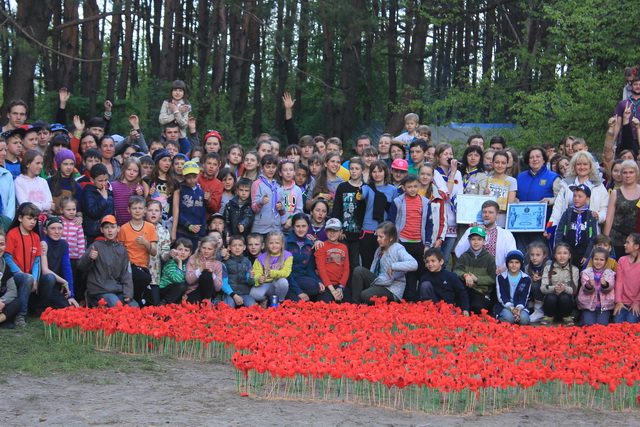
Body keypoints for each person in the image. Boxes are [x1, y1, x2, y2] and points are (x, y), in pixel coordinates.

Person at [387, 174, 432, 302]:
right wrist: (392, 241)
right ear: (404, 188)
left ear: (419, 186)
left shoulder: (425, 202)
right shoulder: (398, 201)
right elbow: (391, 222)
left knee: (420, 271)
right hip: (403, 241)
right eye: (409, 187)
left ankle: (419, 299)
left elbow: (429, 224)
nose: (413, 189)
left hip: (418, 242)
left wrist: (427, 244)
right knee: (405, 272)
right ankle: (404, 299)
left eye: (415, 186)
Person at [351, 221, 418, 305]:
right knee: (358, 270)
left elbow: (414, 264)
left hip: (392, 288)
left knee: (366, 295)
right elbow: (373, 269)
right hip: (380, 281)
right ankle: (356, 305)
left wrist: (393, 266)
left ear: (391, 238)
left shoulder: (398, 248)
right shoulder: (379, 249)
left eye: (381, 237)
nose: (378, 239)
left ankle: (391, 303)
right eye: (377, 236)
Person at [78, 215, 138, 308]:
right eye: (106, 228)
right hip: (100, 289)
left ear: (118, 229)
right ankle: (93, 302)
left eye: (113, 227)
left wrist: (128, 293)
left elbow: (127, 273)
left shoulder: (122, 249)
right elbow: (81, 267)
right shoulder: (96, 246)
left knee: (134, 307)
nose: (110, 230)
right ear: (101, 230)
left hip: (117, 289)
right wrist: (89, 258)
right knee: (117, 307)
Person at [548, 151, 609, 233]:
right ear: (574, 166)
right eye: (579, 164)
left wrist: (598, 216)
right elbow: (557, 209)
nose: (582, 167)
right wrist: (551, 228)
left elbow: (604, 209)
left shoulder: (599, 186)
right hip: (567, 230)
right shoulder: (566, 185)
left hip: (590, 231)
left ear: (591, 166)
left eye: (585, 164)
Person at [515, 146, 561, 253]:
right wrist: (514, 199)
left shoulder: (553, 177)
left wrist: (550, 201)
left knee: (539, 256)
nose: (535, 159)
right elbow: (514, 194)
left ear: (544, 159)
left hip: (541, 228)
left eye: (538, 156)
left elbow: (561, 200)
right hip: (520, 227)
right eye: (531, 157)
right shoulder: (520, 177)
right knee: (522, 255)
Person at [455, 201, 516, 273]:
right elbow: (458, 253)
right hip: (473, 272)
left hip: (498, 272)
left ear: (497, 215)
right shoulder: (471, 230)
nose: (487, 215)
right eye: (484, 212)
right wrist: (474, 231)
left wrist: (503, 269)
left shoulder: (506, 234)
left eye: (490, 212)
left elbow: (512, 256)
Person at [117, 196, 158, 305]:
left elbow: (154, 252)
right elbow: (119, 251)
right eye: (134, 208)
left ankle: (135, 300)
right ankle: (135, 300)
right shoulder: (124, 228)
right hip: (129, 266)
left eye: (140, 208)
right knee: (145, 278)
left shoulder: (150, 227)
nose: (137, 211)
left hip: (143, 267)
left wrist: (145, 243)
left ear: (145, 210)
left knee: (150, 303)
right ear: (129, 210)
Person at [359, 160, 398, 269]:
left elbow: (394, 210)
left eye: (380, 171)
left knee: (384, 264)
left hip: (385, 231)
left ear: (385, 172)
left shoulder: (393, 189)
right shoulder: (366, 187)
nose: (377, 174)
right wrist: (359, 192)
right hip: (368, 229)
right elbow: (362, 195)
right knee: (367, 263)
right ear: (370, 173)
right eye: (374, 172)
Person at [432, 143, 464, 265]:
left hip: (453, 220)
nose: (449, 156)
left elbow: (460, 195)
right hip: (439, 220)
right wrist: (452, 175)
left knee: (444, 260)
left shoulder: (458, 174)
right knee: (435, 257)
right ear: (438, 156)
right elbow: (446, 194)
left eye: (451, 154)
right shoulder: (434, 173)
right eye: (445, 154)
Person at [453, 226, 496, 315]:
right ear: (469, 240)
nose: (476, 242)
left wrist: (477, 279)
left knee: (476, 308)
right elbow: (456, 270)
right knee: (459, 306)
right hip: (466, 291)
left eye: (479, 239)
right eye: (473, 239)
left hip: (481, 292)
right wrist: (465, 275)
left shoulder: (489, 258)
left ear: (484, 241)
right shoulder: (464, 256)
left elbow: (493, 278)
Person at [332, 157, 365, 271]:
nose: (354, 171)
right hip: (343, 233)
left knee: (355, 263)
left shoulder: (365, 188)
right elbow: (337, 209)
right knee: (342, 262)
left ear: (362, 170)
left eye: (357, 168)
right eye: (352, 168)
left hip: (359, 234)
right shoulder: (342, 187)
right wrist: (338, 229)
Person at [553, 184, 598, 268]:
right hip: (567, 252)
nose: (576, 198)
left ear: (587, 199)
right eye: (574, 196)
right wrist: (559, 250)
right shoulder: (567, 213)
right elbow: (559, 232)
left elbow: (593, 236)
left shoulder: (590, 215)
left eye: (580, 196)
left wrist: (587, 255)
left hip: (583, 252)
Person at [40, 216, 79, 309]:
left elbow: (67, 269)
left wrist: (71, 295)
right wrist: (64, 282)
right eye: (53, 228)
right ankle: (40, 307)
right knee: (50, 278)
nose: (57, 232)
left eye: (60, 228)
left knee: (70, 307)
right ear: (45, 230)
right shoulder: (43, 243)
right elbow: (44, 271)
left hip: (57, 285)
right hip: (43, 283)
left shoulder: (64, 244)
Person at [604, 160, 640, 257]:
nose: (628, 175)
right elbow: (609, 218)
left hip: (637, 238)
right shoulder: (615, 193)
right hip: (617, 238)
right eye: (625, 172)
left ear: (636, 174)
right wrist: (605, 240)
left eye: (631, 172)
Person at [418, 247, 470, 315]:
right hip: (432, 307)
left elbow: (462, 293)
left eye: (433, 261)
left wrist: (465, 309)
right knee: (425, 285)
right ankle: (427, 311)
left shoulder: (451, 276)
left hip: (448, 307)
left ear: (441, 262)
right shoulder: (425, 278)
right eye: (427, 262)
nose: (430, 264)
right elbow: (419, 295)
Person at [540, 243, 579, 326]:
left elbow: (574, 291)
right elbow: (543, 288)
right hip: (551, 303)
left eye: (565, 253)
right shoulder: (548, 268)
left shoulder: (574, 270)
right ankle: (549, 316)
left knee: (564, 296)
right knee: (551, 297)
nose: (562, 256)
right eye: (559, 253)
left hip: (566, 303)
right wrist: (554, 288)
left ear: (569, 255)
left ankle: (566, 316)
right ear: (554, 255)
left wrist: (565, 288)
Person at [313, 218, 350, 303]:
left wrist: (341, 287)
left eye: (335, 230)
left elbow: (346, 269)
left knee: (349, 305)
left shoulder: (344, 247)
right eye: (329, 230)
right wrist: (333, 290)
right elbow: (321, 269)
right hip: (326, 285)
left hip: (340, 285)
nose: (332, 233)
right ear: (325, 231)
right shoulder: (321, 246)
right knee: (326, 304)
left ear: (340, 232)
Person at [250, 230, 291, 305]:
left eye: (277, 243)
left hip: (278, 284)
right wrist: (259, 278)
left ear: (282, 244)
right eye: (271, 243)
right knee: (254, 294)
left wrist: (271, 273)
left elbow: (286, 272)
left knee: (283, 282)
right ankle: (266, 300)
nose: (274, 245)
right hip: (266, 284)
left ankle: (280, 302)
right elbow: (256, 273)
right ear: (267, 245)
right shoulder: (260, 258)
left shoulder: (288, 255)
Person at [478, 151, 517, 227]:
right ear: (492, 163)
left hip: (503, 220)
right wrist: (485, 196)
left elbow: (510, 204)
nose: (500, 165)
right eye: (497, 162)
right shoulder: (486, 179)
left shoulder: (512, 181)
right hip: (487, 220)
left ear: (507, 164)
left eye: (503, 163)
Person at [578, 247, 616, 326]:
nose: (598, 262)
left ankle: (606, 317)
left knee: (602, 325)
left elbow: (610, 287)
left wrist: (605, 284)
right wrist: (589, 285)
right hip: (589, 305)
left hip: (604, 306)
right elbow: (586, 289)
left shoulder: (610, 273)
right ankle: (583, 317)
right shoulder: (586, 272)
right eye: (596, 259)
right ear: (592, 259)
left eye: (601, 260)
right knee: (588, 324)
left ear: (606, 261)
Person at [172, 161, 206, 248]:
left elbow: (203, 213)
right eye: (189, 177)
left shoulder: (201, 192)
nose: (192, 180)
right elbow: (177, 210)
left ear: (198, 175)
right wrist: (188, 225)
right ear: (183, 176)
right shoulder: (180, 190)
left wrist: (201, 235)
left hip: (196, 232)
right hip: (181, 230)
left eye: (194, 177)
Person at [495, 250, 531, 325]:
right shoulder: (501, 277)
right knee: (509, 319)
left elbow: (524, 297)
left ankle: (517, 317)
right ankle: (503, 317)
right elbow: (501, 296)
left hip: (520, 306)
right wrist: (511, 308)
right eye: (511, 262)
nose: (514, 265)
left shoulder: (526, 278)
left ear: (521, 264)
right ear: (507, 263)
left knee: (524, 320)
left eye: (517, 262)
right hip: (505, 306)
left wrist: (518, 308)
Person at [82, 163, 114, 245]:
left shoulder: (108, 192)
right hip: (93, 233)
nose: (104, 184)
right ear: (92, 180)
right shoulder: (88, 192)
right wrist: (103, 199)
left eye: (105, 180)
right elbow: (93, 212)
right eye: (100, 181)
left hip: (107, 233)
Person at [221, 235, 256, 308]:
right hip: (230, 293)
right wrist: (234, 295)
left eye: (240, 245)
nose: (237, 248)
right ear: (229, 247)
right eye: (234, 245)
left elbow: (250, 282)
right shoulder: (225, 262)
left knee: (253, 307)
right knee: (228, 308)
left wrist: (251, 278)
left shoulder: (247, 261)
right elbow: (223, 284)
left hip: (244, 293)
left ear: (244, 247)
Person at [185, 235, 223, 302]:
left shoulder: (218, 264)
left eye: (209, 249)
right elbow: (189, 281)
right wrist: (200, 269)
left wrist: (212, 274)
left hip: (210, 293)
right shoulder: (193, 258)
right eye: (204, 248)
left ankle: (207, 300)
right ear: (200, 247)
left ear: (214, 251)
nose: (206, 251)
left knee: (206, 273)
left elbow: (218, 288)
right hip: (194, 291)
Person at [15, 150, 54, 214]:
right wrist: (45, 206)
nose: (41, 167)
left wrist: (47, 206)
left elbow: (50, 204)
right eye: (37, 163)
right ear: (27, 164)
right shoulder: (19, 181)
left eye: (41, 163)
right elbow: (24, 205)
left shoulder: (43, 181)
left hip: (45, 217)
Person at [111, 158, 147, 225]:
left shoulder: (138, 188)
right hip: (116, 225)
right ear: (124, 169)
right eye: (129, 169)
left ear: (139, 173)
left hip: (134, 226)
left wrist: (140, 194)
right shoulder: (113, 185)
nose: (131, 173)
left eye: (135, 171)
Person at [613, 233, 640, 324]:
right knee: (617, 323)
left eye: (628, 242)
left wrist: (636, 304)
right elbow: (619, 282)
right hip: (623, 302)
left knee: (631, 323)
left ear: (636, 246)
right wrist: (618, 302)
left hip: (637, 303)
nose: (624, 245)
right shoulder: (622, 260)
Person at [47, 148, 83, 216]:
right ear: (59, 165)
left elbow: (78, 210)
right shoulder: (49, 182)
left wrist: (79, 217)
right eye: (65, 164)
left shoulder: (76, 186)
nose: (69, 167)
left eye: (71, 164)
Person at [159, 238, 192, 304]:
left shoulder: (188, 264)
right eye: (180, 249)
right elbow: (177, 279)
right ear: (175, 250)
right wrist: (179, 262)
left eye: (186, 250)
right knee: (181, 286)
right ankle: (163, 303)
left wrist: (185, 293)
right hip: (165, 289)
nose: (183, 252)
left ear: (190, 253)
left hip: (177, 290)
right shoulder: (170, 262)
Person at [524, 241, 551, 323]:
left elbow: (553, 279)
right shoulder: (528, 267)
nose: (534, 258)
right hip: (534, 293)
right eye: (532, 255)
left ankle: (539, 310)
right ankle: (531, 304)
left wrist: (543, 278)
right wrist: (531, 279)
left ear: (544, 255)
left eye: (538, 255)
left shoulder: (549, 264)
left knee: (537, 284)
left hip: (548, 292)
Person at [0, 231, 20, 328]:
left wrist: (2, 301)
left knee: (17, 302)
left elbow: (12, 290)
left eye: (2, 244)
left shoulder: (5, 266)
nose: (0, 247)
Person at [277, 159, 303, 233]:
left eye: (291, 170)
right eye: (285, 170)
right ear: (280, 173)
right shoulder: (276, 189)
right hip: (277, 227)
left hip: (292, 228)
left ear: (294, 172)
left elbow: (299, 209)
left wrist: (291, 219)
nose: (288, 172)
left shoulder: (297, 190)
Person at [198, 152, 223, 217]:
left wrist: (209, 200)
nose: (211, 167)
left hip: (207, 218)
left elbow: (215, 207)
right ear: (203, 164)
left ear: (218, 167)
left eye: (214, 164)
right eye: (209, 163)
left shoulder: (218, 184)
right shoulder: (196, 177)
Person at [0, 139, 16, 221]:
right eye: (0, 150)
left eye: (5, 150)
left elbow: (11, 203)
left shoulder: (7, 175)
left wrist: (6, 222)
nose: (4, 153)